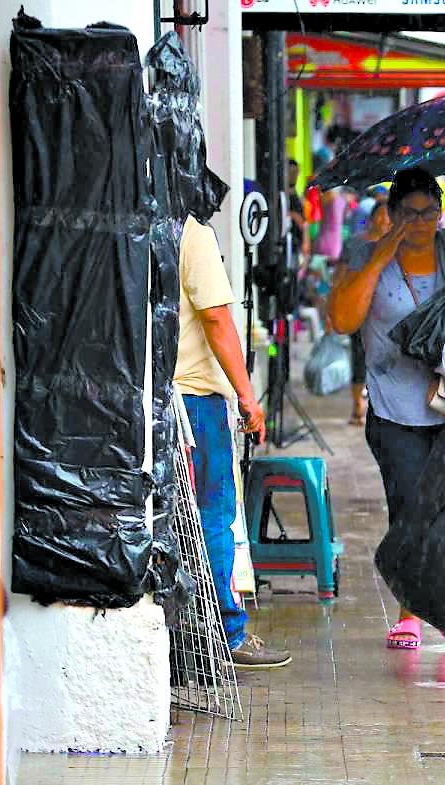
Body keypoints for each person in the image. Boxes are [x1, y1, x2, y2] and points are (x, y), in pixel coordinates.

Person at [326, 168, 445, 649]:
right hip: (392, 406)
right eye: (409, 213)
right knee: (409, 508)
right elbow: (342, 320)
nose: (420, 222)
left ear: (441, 210)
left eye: (428, 212)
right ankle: (410, 611)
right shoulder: (365, 255)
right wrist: (386, 249)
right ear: (392, 212)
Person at [174, 214, 291, 670]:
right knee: (211, 516)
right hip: (196, 400)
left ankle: (187, 636)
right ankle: (225, 634)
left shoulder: (137, 220)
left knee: (176, 521)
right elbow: (218, 318)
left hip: (153, 393)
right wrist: (247, 396)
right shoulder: (193, 234)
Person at [337, 201, 392, 425]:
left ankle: (380, 404)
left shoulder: (397, 245)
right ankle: (357, 405)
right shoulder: (355, 244)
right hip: (357, 310)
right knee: (359, 358)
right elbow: (340, 276)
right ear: (371, 218)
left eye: (388, 217)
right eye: (380, 216)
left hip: (384, 313)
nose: (383, 221)